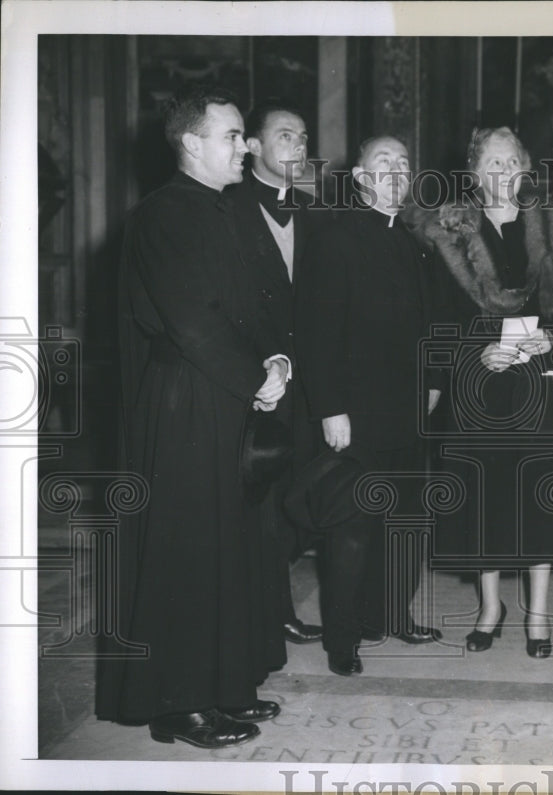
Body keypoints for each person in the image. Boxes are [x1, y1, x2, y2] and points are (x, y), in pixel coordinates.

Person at [97, 85, 291, 748]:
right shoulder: (162, 215)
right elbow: (191, 321)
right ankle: (178, 704)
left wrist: (277, 359)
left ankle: (227, 683)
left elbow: (252, 305)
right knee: (187, 549)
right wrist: (254, 379)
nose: (247, 146)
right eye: (233, 135)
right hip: (184, 402)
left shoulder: (225, 209)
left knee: (231, 548)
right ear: (191, 143)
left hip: (228, 396)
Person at [419, 126, 553, 659]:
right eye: (491, 163)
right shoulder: (450, 230)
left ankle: (537, 614)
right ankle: (490, 607)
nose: (502, 172)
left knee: (537, 498)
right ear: (473, 172)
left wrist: (551, 340)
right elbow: (438, 321)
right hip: (477, 386)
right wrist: (474, 355)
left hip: (539, 383)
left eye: (511, 161)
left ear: (526, 166)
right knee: (485, 500)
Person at [295, 135, 443, 677]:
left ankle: (392, 615)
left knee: (404, 522)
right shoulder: (335, 240)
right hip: (355, 413)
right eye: (385, 163)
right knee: (353, 526)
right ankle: (342, 636)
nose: (397, 172)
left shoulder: (410, 241)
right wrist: (331, 409)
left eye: (405, 163)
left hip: (406, 411)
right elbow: (317, 333)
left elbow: (426, 327)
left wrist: (432, 385)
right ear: (359, 177)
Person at [227, 102, 322, 645]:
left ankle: (272, 601)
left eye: (304, 136)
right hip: (254, 381)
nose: (298, 146)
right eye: (285, 135)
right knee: (255, 502)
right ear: (254, 147)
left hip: (306, 382)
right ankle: (268, 610)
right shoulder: (225, 208)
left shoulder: (314, 211)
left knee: (296, 500)